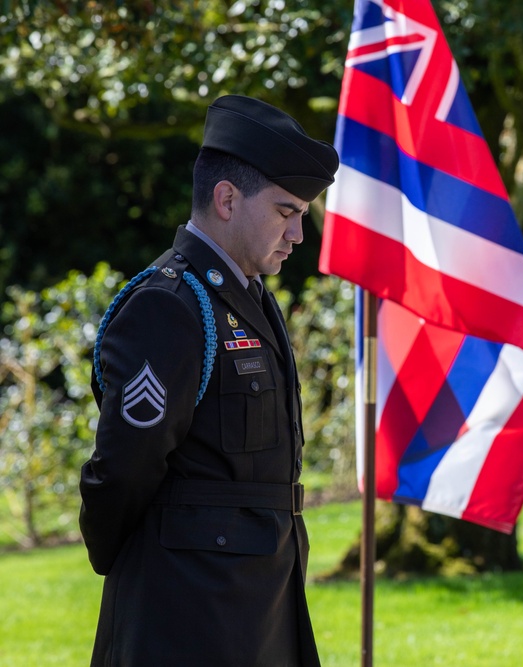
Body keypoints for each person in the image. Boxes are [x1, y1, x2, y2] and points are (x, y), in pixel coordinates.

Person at [79, 95, 339, 667]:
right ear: (227, 199)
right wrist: (133, 561)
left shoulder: (246, 299)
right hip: (188, 607)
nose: (297, 233)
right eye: (285, 211)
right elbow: (124, 465)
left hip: (257, 597)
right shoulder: (170, 304)